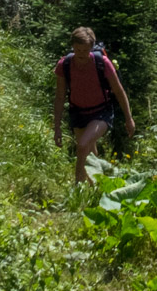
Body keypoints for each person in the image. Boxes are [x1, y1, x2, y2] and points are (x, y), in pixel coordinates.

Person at [53, 26, 135, 184]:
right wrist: (57, 127)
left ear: (91, 48)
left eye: (85, 50)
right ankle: (96, 190)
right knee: (90, 153)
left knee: (83, 145)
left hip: (101, 113)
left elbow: (119, 91)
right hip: (78, 112)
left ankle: (77, 188)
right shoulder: (65, 64)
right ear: (72, 47)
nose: (81, 54)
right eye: (77, 50)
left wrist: (128, 118)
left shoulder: (102, 62)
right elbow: (59, 97)